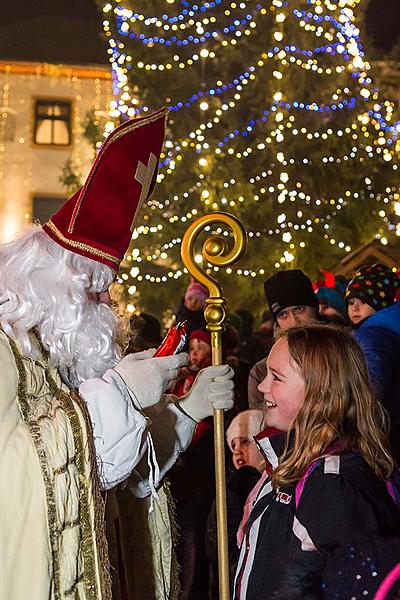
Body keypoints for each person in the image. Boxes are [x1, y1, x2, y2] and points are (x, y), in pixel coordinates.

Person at [0, 109, 234, 600]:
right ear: (51, 290)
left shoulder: (53, 357)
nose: (109, 308)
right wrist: (118, 393)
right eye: (96, 294)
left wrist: (181, 417)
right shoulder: (5, 354)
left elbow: (112, 486)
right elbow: (17, 480)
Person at [233, 324, 400, 600]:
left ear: (319, 394)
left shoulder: (333, 487)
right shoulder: (285, 463)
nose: (262, 386)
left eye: (276, 377)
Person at [206, 410, 265, 599]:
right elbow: (218, 545)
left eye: (246, 442)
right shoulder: (234, 486)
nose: (237, 450)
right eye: (233, 445)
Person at [345, 263, 400, 460]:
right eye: (351, 302)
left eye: (364, 300)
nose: (355, 308)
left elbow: (371, 391)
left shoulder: (373, 335)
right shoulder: (382, 330)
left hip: (384, 437)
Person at [248, 269, 319, 410]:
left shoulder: (344, 351)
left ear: (315, 308)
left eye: (299, 309)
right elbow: (261, 423)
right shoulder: (262, 372)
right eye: (283, 314)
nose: (294, 322)